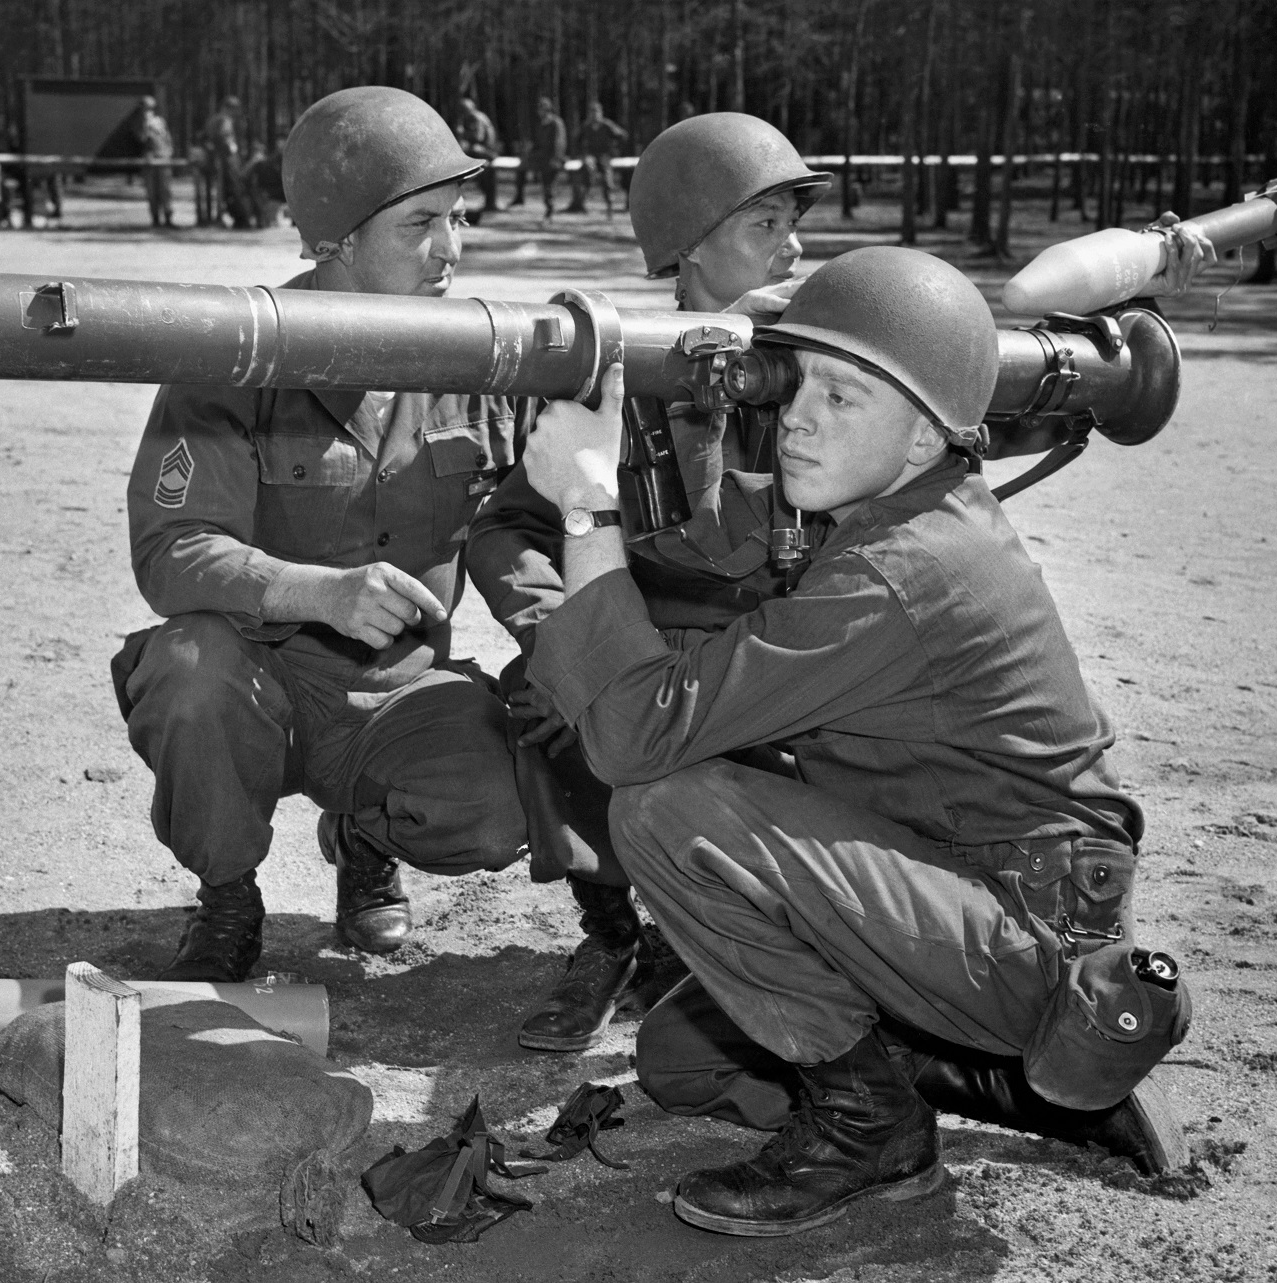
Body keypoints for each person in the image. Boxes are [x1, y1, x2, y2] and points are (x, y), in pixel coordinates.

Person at [513, 246, 1184, 1235]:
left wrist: (583, 501)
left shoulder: (900, 567)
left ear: (925, 435)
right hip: (962, 877)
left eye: (842, 395)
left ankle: (877, 1131)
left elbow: (636, 736)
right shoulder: (891, 507)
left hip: (1024, 917)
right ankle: (1033, 1080)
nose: (797, 418)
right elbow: (695, 589)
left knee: (662, 806)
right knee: (683, 1063)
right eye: (797, 387)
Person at [113, 86, 528, 980]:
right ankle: (229, 891)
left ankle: (362, 836)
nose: (451, 250)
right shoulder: (234, 356)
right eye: (422, 223)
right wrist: (318, 590)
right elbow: (172, 546)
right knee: (189, 676)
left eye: (456, 220)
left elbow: (519, 524)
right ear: (338, 236)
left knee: (500, 803)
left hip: (396, 688)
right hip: (256, 674)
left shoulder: (473, 356)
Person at [465, 113, 829, 1052]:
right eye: (766, 226)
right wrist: (555, 638)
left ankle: (721, 935)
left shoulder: (819, 373)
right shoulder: (615, 374)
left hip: (764, 668)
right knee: (553, 698)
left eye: (794, 224)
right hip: (638, 651)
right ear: (689, 247)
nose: (795, 247)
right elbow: (511, 523)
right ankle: (615, 934)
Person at [569, 101, 627, 215]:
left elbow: (622, 135)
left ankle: (609, 203)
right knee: (587, 171)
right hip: (591, 156)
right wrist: (581, 153)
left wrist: (615, 149)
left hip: (604, 155)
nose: (594, 115)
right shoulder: (586, 126)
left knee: (607, 178)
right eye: (592, 112)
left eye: (596, 112)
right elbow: (576, 140)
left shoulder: (607, 125)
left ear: (601, 112)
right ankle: (582, 200)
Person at [203, 95, 249, 228]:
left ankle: (232, 217)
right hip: (226, 160)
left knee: (226, 190)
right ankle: (239, 219)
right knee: (233, 189)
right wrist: (232, 153)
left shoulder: (215, 119)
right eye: (234, 108)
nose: (236, 112)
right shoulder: (224, 120)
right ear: (227, 108)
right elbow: (224, 139)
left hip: (220, 159)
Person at [454, 96, 501, 220]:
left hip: (487, 152)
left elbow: (478, 137)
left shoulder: (475, 117)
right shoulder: (478, 116)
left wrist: (462, 132)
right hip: (487, 151)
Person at [134, 95, 175, 229]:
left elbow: (167, 138)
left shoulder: (160, 121)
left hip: (163, 159)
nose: (149, 110)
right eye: (146, 107)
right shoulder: (138, 123)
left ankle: (168, 218)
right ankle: (155, 219)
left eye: (151, 107)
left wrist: (169, 151)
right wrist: (146, 124)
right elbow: (141, 138)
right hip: (150, 160)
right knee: (152, 191)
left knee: (166, 190)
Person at [529, 97, 567, 220]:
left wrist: (556, 159)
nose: (541, 111)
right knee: (545, 185)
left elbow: (559, 142)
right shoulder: (540, 124)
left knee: (550, 185)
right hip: (542, 159)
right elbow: (537, 143)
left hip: (552, 159)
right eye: (539, 108)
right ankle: (548, 209)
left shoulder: (556, 123)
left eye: (543, 108)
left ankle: (549, 211)